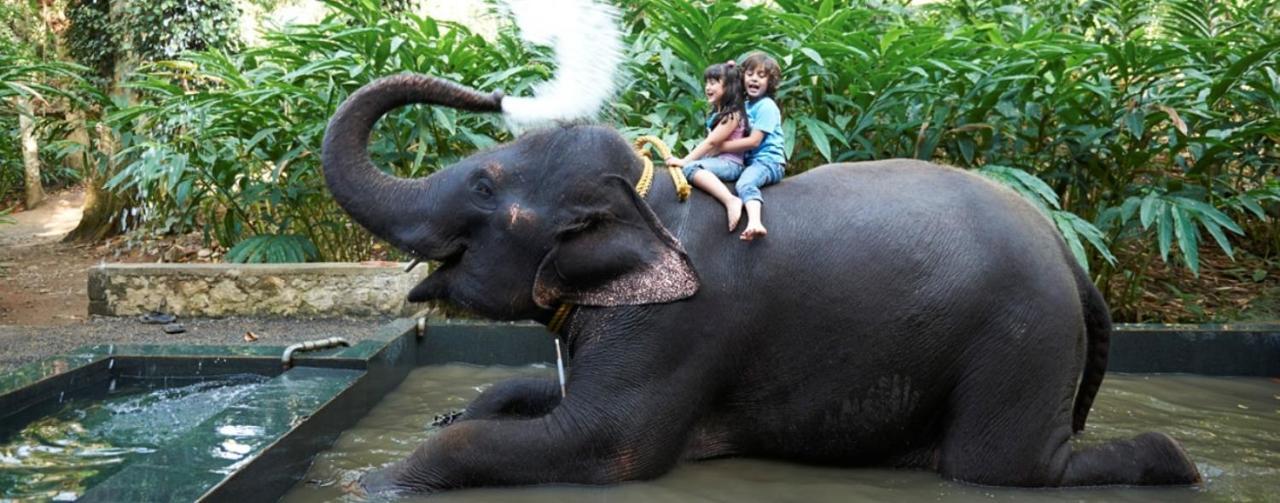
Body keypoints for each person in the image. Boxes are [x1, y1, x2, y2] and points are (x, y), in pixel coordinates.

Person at [665, 62, 751, 232]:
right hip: (717, 160)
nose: (708, 87)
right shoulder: (717, 114)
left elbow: (711, 142)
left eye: (713, 83)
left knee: (690, 169)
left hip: (730, 164)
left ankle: (730, 200)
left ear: (728, 87)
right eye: (707, 83)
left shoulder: (732, 115)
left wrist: (684, 161)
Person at [718, 51, 786, 241]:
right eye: (750, 74)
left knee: (745, 183)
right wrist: (729, 71)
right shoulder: (746, 105)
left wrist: (721, 147)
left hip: (768, 161)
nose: (754, 79)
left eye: (761, 76)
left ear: (769, 82)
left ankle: (755, 221)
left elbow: (754, 141)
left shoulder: (766, 106)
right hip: (749, 161)